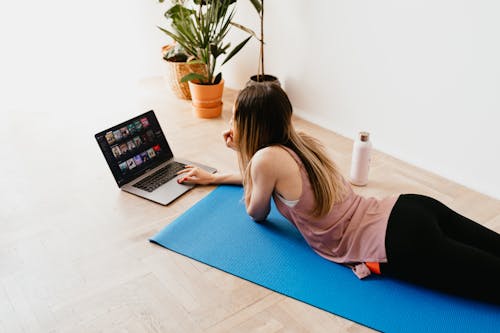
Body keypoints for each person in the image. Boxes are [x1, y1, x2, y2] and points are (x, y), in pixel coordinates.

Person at [176, 82, 500, 305]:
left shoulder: (262, 159)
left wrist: (240, 153)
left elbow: (255, 211)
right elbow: (264, 181)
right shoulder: (299, 143)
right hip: (410, 209)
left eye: (235, 117)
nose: (231, 123)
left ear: (250, 124)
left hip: (396, 243)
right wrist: (214, 178)